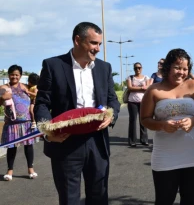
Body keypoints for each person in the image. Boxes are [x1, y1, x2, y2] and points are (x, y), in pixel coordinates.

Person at [34, 22, 120, 205]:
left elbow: (113, 100)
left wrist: (111, 115)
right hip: (65, 142)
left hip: (97, 142)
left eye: (99, 44)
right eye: (93, 43)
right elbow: (42, 104)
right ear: (77, 40)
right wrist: (48, 132)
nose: (97, 49)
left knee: (99, 197)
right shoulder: (53, 65)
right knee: (69, 199)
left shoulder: (104, 68)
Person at [140, 48, 194, 205]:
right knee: (164, 199)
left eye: (185, 69)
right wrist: (162, 125)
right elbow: (144, 119)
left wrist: (193, 121)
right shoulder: (153, 90)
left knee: (189, 199)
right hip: (165, 155)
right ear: (167, 68)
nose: (181, 72)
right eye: (177, 67)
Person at [0, 64, 39, 181]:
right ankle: (9, 171)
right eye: (12, 74)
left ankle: (30, 169)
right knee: (12, 148)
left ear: (20, 76)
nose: (14, 77)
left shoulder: (26, 86)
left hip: (27, 122)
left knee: (28, 146)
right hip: (12, 124)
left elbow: (36, 94)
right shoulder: (4, 87)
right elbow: (0, 97)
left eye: (17, 75)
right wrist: (2, 97)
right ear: (8, 75)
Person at [127, 62, 150, 147]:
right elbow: (130, 88)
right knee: (133, 121)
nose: (138, 69)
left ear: (142, 68)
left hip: (143, 101)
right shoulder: (130, 77)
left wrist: (136, 88)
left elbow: (148, 87)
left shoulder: (146, 77)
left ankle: (144, 140)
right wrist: (141, 88)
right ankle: (132, 140)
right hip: (132, 101)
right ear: (134, 69)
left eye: (139, 68)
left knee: (143, 120)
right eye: (136, 68)